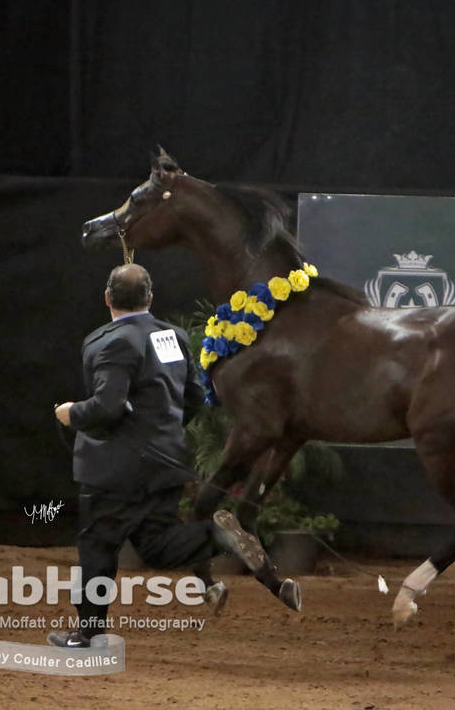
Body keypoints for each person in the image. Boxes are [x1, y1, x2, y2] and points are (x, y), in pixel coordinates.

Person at [49, 263, 300, 648]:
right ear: (150, 298)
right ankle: (219, 536)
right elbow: (194, 399)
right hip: (165, 464)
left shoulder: (109, 341)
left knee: (98, 547)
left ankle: (88, 632)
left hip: (115, 471)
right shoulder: (173, 336)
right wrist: (160, 438)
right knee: (157, 544)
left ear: (106, 298)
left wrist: (71, 413)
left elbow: (107, 407)